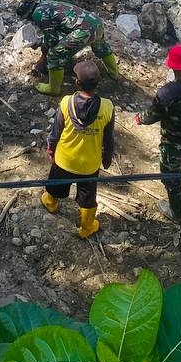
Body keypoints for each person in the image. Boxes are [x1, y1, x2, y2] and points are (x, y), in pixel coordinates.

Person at [134, 45, 181, 221]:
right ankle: (179, 184)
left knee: (170, 175)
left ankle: (175, 211)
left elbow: (151, 116)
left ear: (171, 66)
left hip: (174, 142)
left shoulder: (167, 93)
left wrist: (139, 118)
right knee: (178, 165)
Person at [42, 60, 113, 240]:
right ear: (98, 84)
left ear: (77, 83)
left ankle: (51, 203)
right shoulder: (107, 107)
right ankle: (87, 227)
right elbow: (109, 137)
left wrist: (51, 147)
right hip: (89, 164)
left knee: (56, 184)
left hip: (65, 159)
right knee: (88, 197)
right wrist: (107, 157)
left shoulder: (66, 102)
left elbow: (56, 131)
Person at [15, 0, 119, 95]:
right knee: (101, 47)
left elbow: (52, 39)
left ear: (28, 14)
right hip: (95, 22)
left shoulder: (38, 14)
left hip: (83, 31)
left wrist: (44, 53)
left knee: (54, 54)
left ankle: (53, 88)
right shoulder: (45, 3)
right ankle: (114, 73)